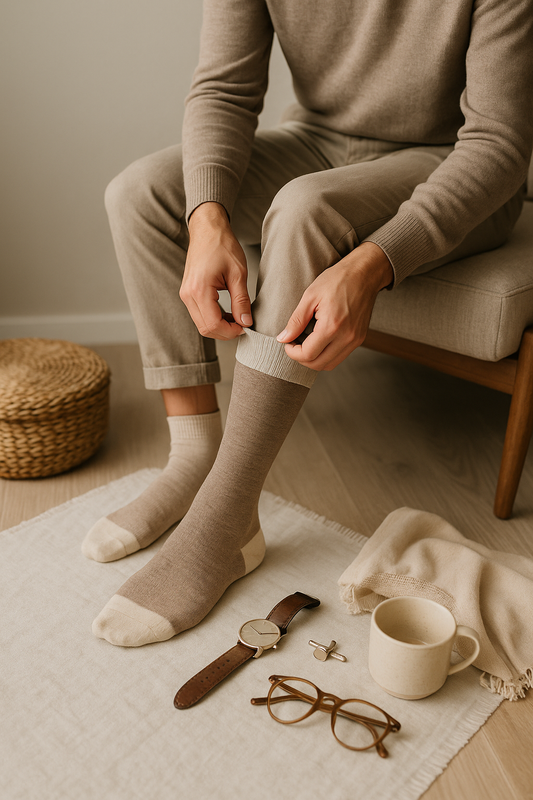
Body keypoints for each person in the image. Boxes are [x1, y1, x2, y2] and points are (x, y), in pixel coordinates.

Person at [84, 0, 533, 647]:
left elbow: (497, 145)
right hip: (320, 143)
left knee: (303, 208)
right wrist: (206, 217)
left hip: (454, 165)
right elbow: (224, 86)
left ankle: (227, 518)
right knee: (139, 194)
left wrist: (373, 265)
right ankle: (194, 459)